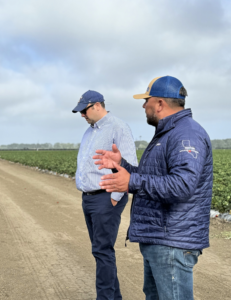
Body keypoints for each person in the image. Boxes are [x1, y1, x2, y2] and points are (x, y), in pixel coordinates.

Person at [93, 76, 213, 300]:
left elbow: (182, 185)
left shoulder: (186, 134)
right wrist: (122, 166)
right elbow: (154, 178)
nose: (143, 105)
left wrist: (132, 182)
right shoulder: (168, 133)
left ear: (159, 104)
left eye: (146, 100)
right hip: (161, 239)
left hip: (171, 242)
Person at [72, 90, 138, 300]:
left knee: (102, 250)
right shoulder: (90, 132)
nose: (82, 115)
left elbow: (129, 166)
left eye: (84, 110)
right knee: (100, 250)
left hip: (106, 197)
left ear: (97, 105)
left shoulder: (118, 127)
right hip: (89, 198)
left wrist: (115, 197)